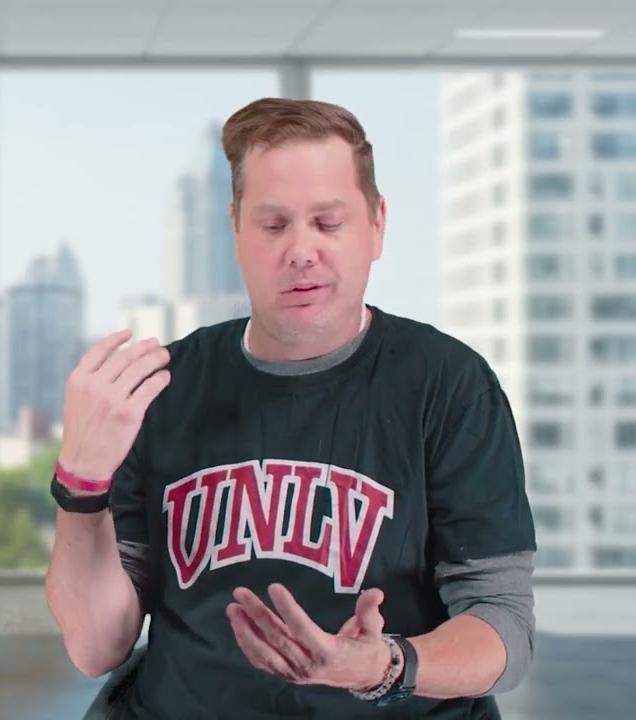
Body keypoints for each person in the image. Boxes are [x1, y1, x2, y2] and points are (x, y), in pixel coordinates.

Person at [46, 98, 537, 719]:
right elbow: (96, 647)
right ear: (235, 231)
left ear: (377, 226)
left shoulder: (449, 384)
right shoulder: (162, 387)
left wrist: (385, 666)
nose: (301, 251)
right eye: (274, 225)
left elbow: (503, 627)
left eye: (327, 223)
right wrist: (80, 485)